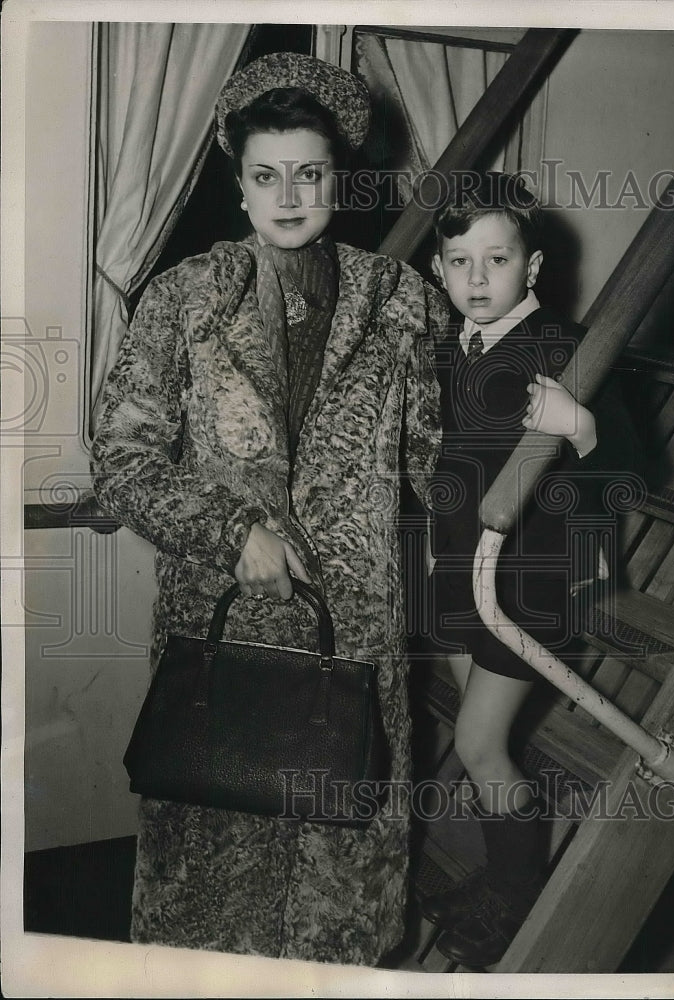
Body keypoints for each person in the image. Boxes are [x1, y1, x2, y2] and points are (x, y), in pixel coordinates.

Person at [90, 52, 447, 966]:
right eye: (266, 174)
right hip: (226, 634)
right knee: (209, 897)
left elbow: (437, 457)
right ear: (238, 183)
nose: (289, 194)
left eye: (310, 172)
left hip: (354, 640)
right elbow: (121, 457)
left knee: (342, 895)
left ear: (339, 176)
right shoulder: (181, 300)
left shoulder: (399, 301)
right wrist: (226, 529)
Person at [420, 172, 642, 967]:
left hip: (531, 581)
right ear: (440, 268)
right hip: (456, 573)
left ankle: (514, 901)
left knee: (481, 745)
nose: (476, 280)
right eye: (457, 262)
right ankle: (498, 878)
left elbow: (634, 470)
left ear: (533, 266)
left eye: (496, 259)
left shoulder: (565, 345)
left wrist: (577, 423)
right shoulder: (448, 348)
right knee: (478, 742)